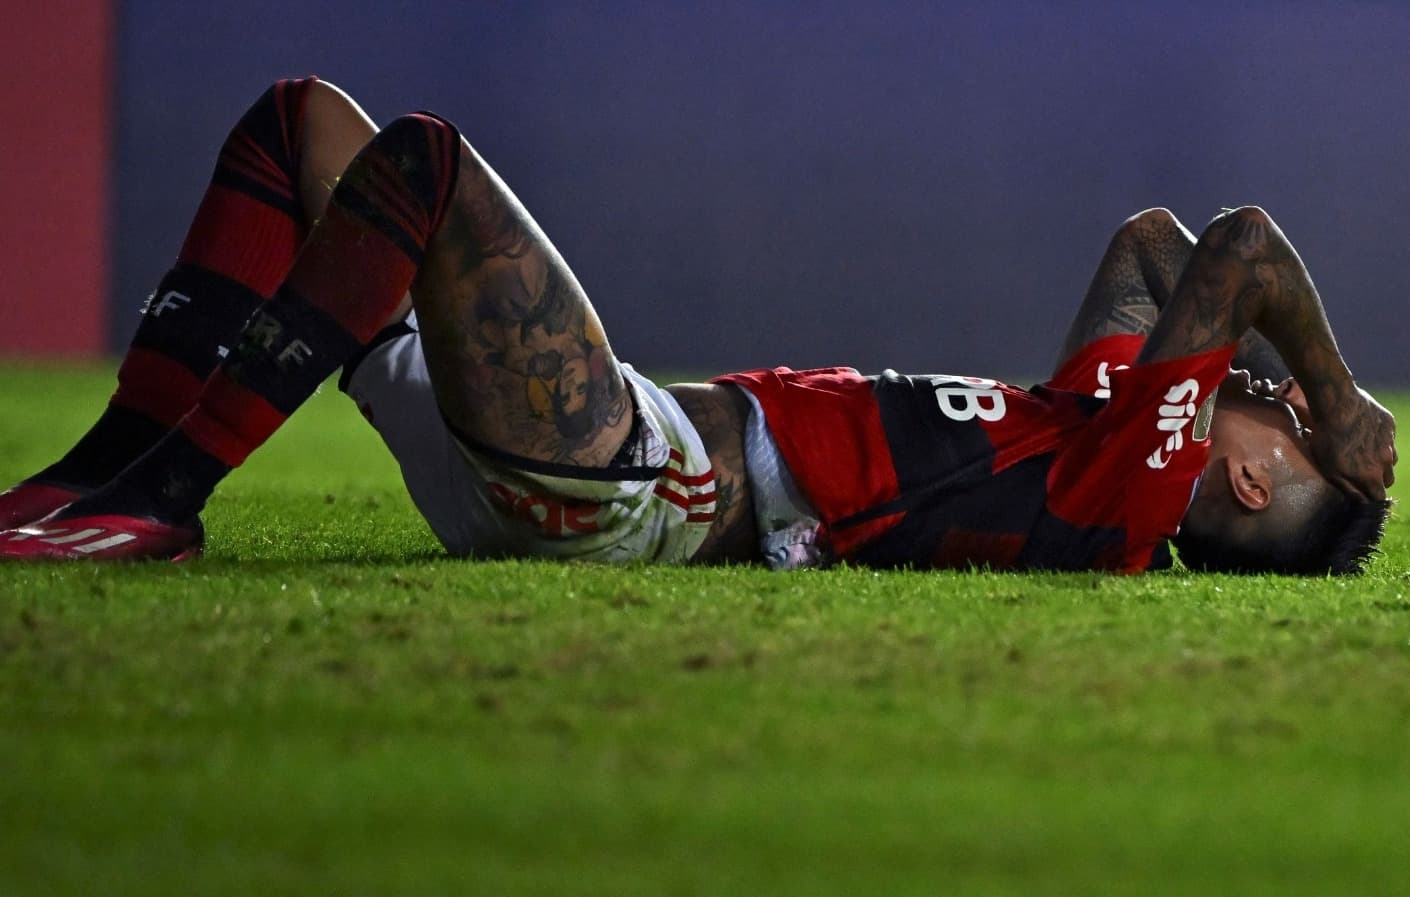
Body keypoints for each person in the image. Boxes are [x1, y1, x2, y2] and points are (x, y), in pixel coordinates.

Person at [0, 77, 1395, 573]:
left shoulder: (1128, 499)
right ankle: (111, 476)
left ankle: (167, 498)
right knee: (303, 128)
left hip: (627, 480)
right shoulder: (1096, 431)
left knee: (421, 162)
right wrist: (1291, 393)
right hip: (584, 461)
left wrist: (1340, 400)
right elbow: (1157, 245)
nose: (1263, 383)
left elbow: (1242, 252)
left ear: (1252, 473)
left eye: (1271, 407)